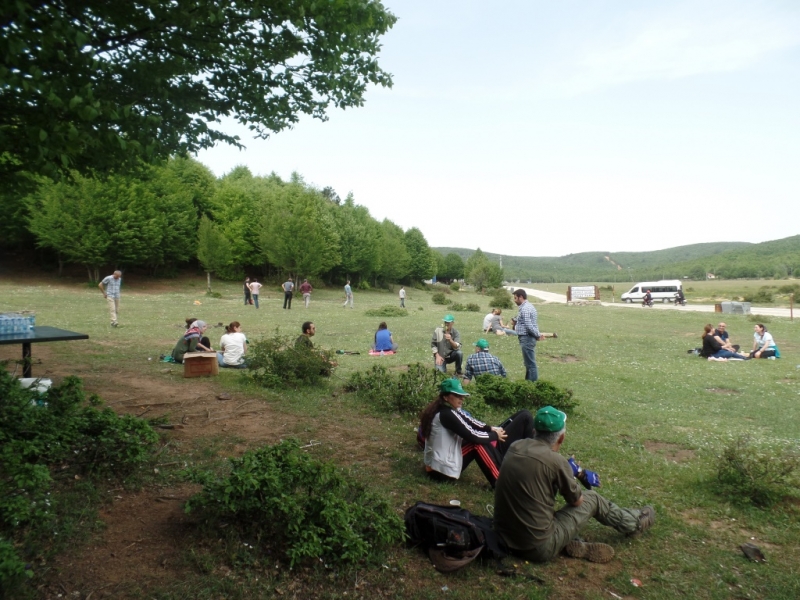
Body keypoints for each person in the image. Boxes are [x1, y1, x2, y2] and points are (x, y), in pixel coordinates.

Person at [493, 406, 656, 564]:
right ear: (561, 438)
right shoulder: (557, 463)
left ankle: (571, 541)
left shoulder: (516, 446)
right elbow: (576, 501)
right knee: (593, 499)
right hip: (536, 547)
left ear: (535, 431)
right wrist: (572, 474)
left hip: (503, 537)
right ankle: (635, 523)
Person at [419, 378, 535, 488]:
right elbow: (472, 435)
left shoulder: (448, 410)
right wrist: (494, 436)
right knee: (477, 444)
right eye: (457, 395)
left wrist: (491, 429)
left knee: (524, 415)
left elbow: (471, 422)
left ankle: (507, 459)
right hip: (439, 472)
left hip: (440, 465)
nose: (461, 398)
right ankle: (501, 483)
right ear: (445, 397)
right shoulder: (446, 414)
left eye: (462, 395)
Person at [511, 289, 541, 381]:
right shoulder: (525, 308)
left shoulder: (525, 308)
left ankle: (532, 386)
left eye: (515, 298)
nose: (514, 300)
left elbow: (529, 325)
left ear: (521, 297)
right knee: (528, 364)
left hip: (527, 338)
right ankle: (527, 384)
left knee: (531, 364)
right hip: (526, 338)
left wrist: (537, 335)